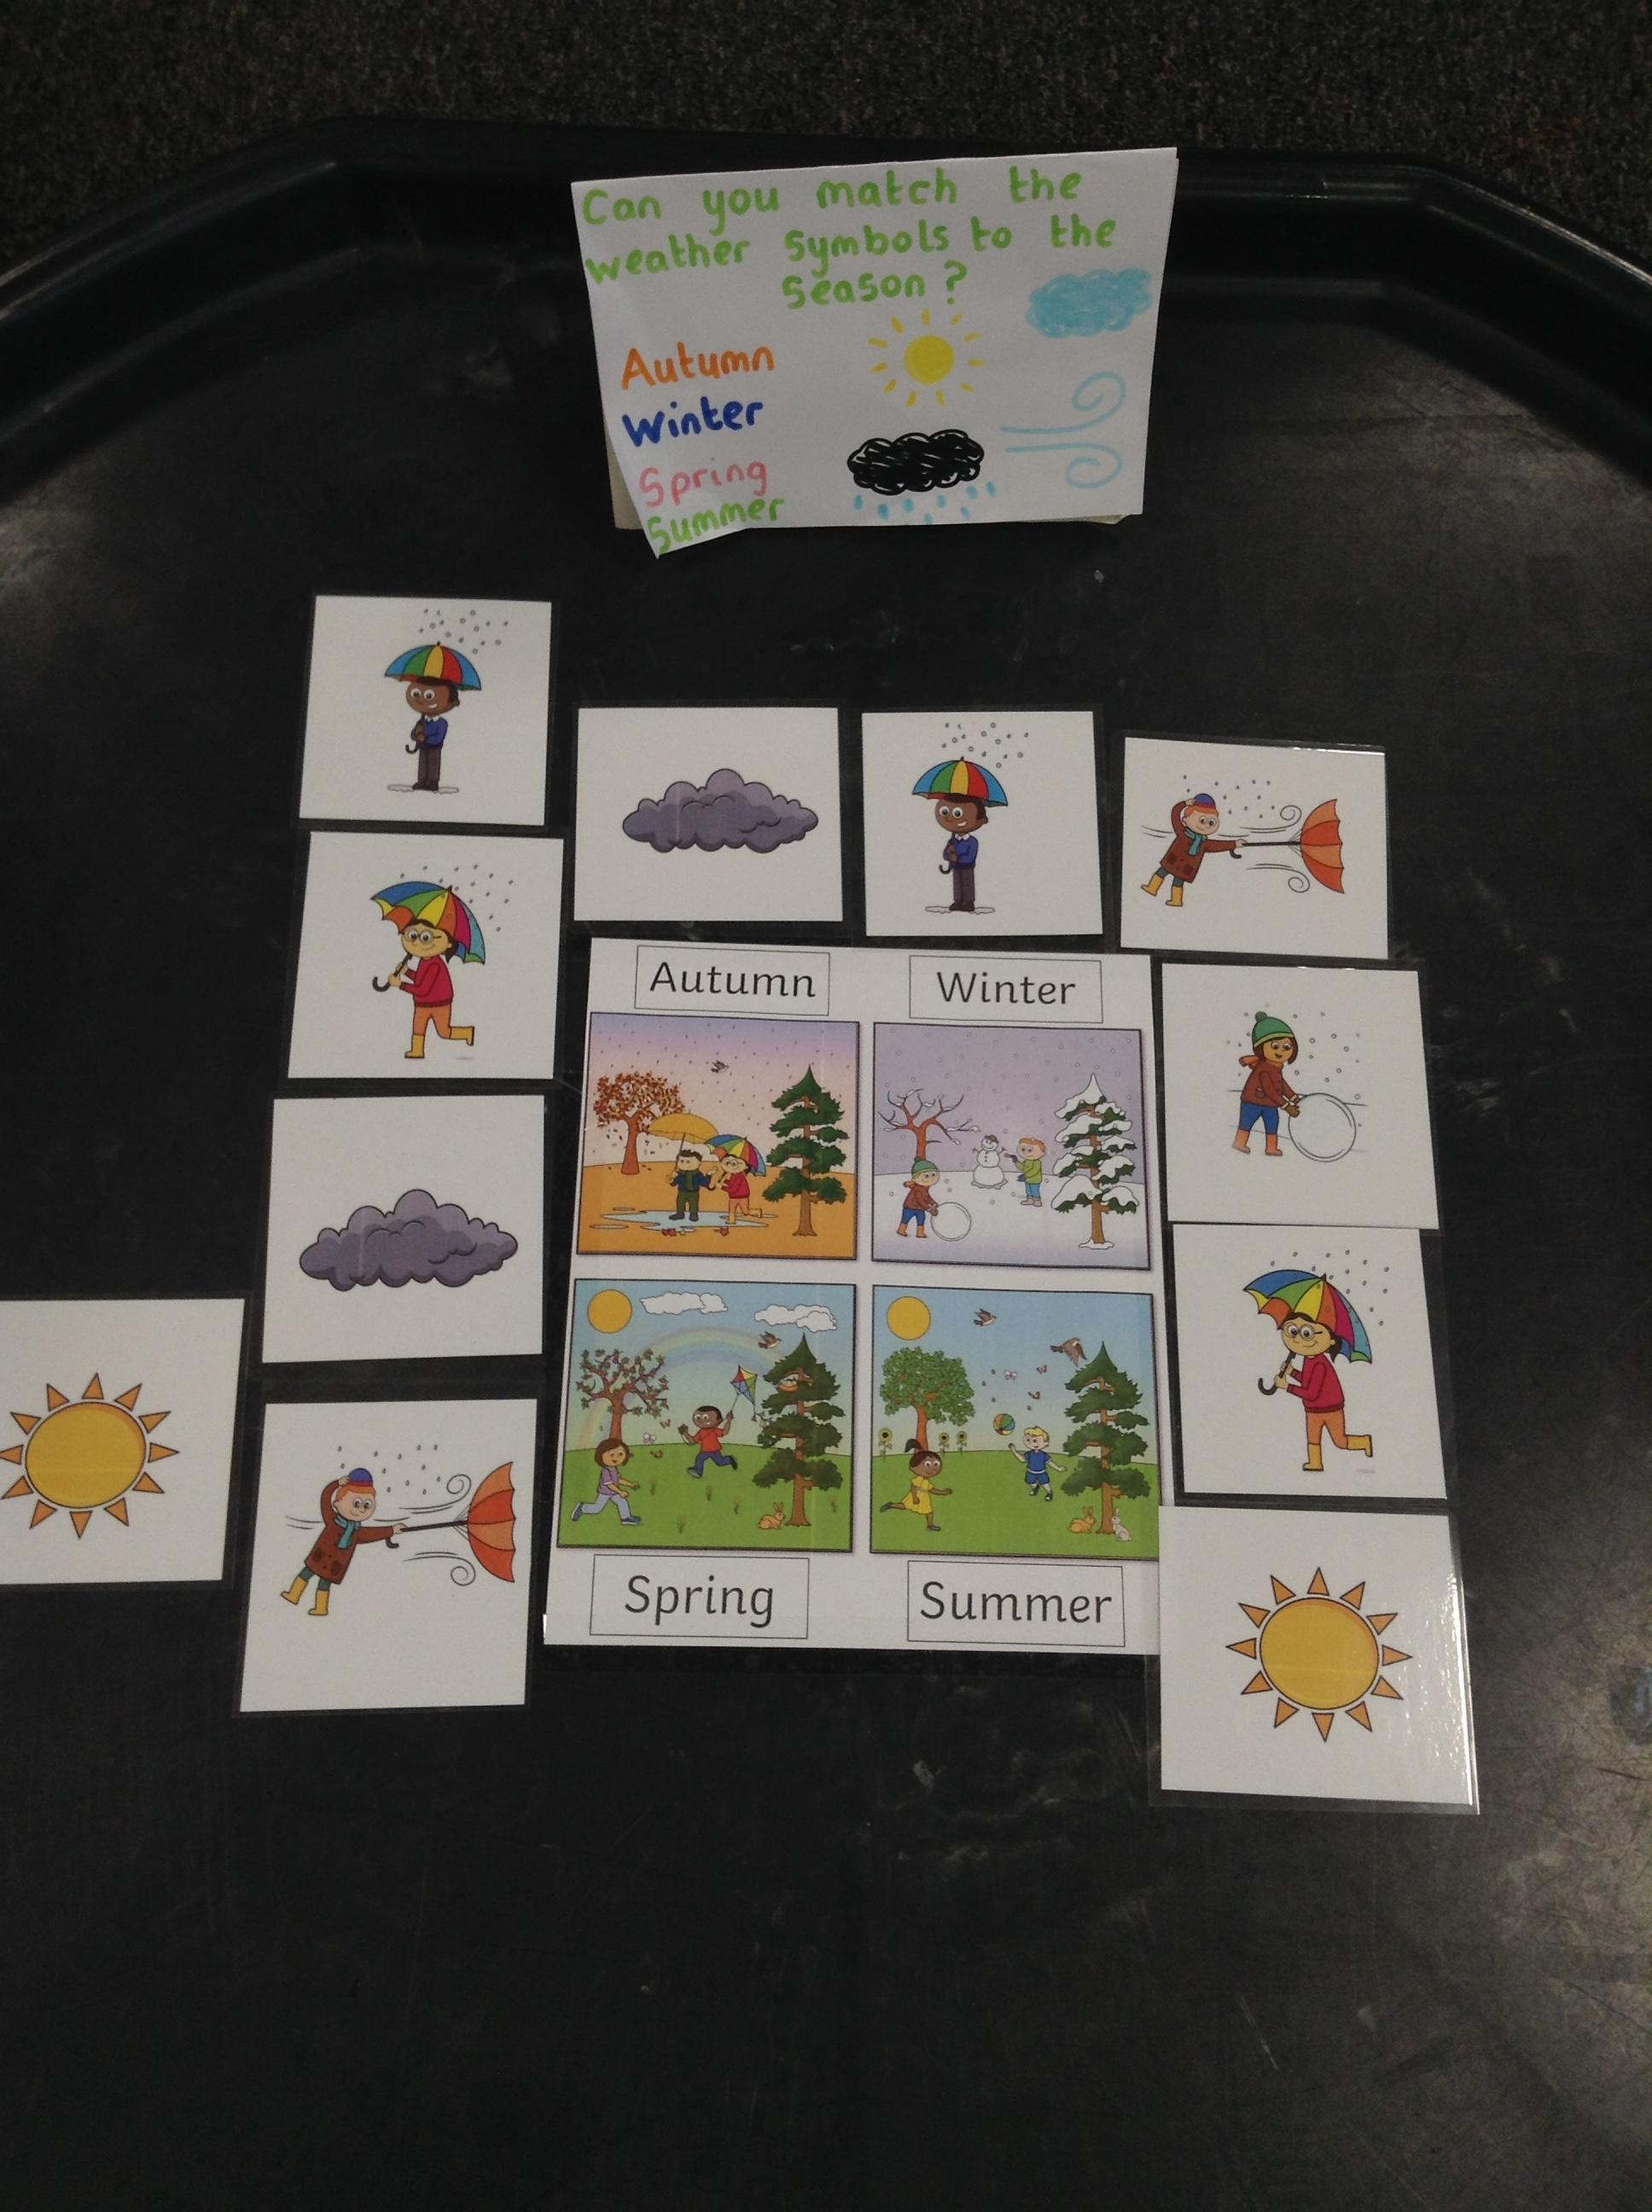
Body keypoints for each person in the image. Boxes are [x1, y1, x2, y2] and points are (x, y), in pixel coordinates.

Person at [280, 1469, 404, 1616]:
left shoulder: (357, 1532)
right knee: (306, 1573)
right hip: (319, 1557)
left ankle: (321, 1608)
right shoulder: (331, 1519)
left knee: (324, 1584)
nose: (360, 1510)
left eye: (367, 1505)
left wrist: (392, 1530)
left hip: (335, 1565)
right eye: (356, 1503)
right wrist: (336, 1484)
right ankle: (294, 1595)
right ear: (337, 1503)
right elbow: (325, 1498)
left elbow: (373, 1534)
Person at [1270, 1310, 1373, 1473]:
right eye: (1293, 1331)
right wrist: (1292, 1372)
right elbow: (1308, 1381)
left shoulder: (1320, 1364)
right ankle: (1315, 1463)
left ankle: (1364, 1442)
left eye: (1307, 1333)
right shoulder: (1309, 1358)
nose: (1297, 1339)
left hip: (1331, 1409)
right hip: (1312, 1409)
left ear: (1331, 1341)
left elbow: (1311, 1393)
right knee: (1313, 1438)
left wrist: (1287, 1386)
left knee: (1339, 1441)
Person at [386, 911, 474, 1059]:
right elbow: (420, 979)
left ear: (448, 943)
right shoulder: (425, 960)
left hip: (439, 1004)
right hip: (422, 1003)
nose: (417, 942)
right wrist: (407, 971)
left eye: (426, 938)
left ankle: (467, 1033)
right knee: (418, 1028)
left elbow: (422, 989)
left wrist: (400, 984)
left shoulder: (435, 965)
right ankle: (417, 1051)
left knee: (443, 1032)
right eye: (413, 935)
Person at [1141, 793, 1242, 906]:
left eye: (1212, 822)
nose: (1207, 826)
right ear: (1185, 819)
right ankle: (1152, 888)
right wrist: (1184, 804)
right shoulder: (1182, 832)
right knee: (1161, 872)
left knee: (1178, 882)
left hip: (1185, 868)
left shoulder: (1204, 843)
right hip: (1172, 861)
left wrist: (1235, 844)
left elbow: (1218, 845)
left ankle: (1176, 900)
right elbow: (1175, 814)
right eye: (1202, 820)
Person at [1235, 1011, 1301, 1156]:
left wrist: (1294, 1097)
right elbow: (1270, 1090)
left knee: (1272, 1125)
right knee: (1246, 1123)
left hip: (1270, 1104)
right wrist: (1286, 1106)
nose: (1281, 1051)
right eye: (1275, 1046)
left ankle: (1271, 1148)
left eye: (1286, 1047)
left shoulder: (1276, 1068)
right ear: (1261, 1048)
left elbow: (1282, 1085)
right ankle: (1239, 1143)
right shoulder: (1264, 1069)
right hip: (1253, 1102)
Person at [404, 675, 462, 793]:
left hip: (434, 748)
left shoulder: (441, 723)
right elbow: (413, 735)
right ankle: (422, 781)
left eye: (429, 696)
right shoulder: (421, 722)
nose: (421, 700)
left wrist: (425, 738)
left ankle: (433, 782)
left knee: (433, 763)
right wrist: (417, 734)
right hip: (423, 747)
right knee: (423, 763)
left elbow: (438, 738)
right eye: (416, 694)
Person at [878, 1441, 952, 1532]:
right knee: (904, 1506)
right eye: (928, 1465)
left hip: (924, 1498)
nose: (933, 1469)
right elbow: (913, 1488)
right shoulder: (918, 1479)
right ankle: (891, 1505)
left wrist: (943, 1492)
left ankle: (930, 1525)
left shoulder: (926, 1481)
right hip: (916, 1496)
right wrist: (915, 1498)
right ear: (913, 1468)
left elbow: (932, 1490)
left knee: (929, 1512)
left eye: (936, 1464)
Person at [934, 794, 989, 912]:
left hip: (967, 867)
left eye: (957, 814)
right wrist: (948, 854)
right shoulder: (952, 841)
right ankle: (958, 900)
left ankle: (969, 902)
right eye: (945, 812)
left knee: (967, 883)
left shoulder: (972, 841)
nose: (950, 819)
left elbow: (970, 856)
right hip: (956, 867)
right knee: (957, 883)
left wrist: (957, 858)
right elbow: (945, 855)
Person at [570, 1437, 643, 1525]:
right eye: (611, 1454)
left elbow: (618, 1480)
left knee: (622, 1502)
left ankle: (626, 1518)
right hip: (605, 1493)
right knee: (596, 1509)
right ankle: (582, 1507)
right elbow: (610, 1485)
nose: (615, 1458)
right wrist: (620, 1492)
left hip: (613, 1492)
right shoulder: (606, 1471)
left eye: (620, 1454)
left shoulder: (614, 1469)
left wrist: (630, 1484)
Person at [679, 1404, 737, 1478]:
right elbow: (693, 1441)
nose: (701, 1421)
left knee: (720, 1462)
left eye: (705, 1418)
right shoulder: (701, 1432)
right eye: (698, 1418)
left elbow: (724, 1432)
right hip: (705, 1451)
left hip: (714, 1450)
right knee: (699, 1459)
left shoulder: (714, 1430)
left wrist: (728, 1421)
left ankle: (730, 1460)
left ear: (718, 1420)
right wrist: (685, 1433)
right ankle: (698, 1472)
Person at [1009, 1425, 1062, 1499]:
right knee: (1030, 1482)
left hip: (1042, 1473)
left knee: (1045, 1484)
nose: (1032, 1443)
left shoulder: (1043, 1455)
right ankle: (1035, 1487)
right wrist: (1014, 1452)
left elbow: (1050, 1463)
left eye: (1035, 1441)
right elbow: (1022, 1459)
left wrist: (1058, 1468)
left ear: (1045, 1443)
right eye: (1028, 1440)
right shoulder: (1029, 1454)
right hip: (1030, 1472)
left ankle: (1049, 1493)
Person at [897, 1160, 941, 1237]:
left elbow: (927, 1197)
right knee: (906, 1219)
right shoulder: (918, 1189)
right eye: (926, 1176)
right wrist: (929, 1209)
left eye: (933, 1175)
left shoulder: (925, 1188)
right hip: (910, 1207)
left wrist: (933, 1203)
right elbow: (920, 1200)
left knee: (921, 1220)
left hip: (920, 1209)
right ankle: (901, 1230)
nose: (931, 1179)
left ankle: (920, 1233)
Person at [670, 1149, 713, 1222]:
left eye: (688, 1162)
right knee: (680, 1203)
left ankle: (693, 1214)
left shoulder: (698, 1174)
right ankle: (680, 1213)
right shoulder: (680, 1174)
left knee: (694, 1204)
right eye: (682, 1161)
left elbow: (704, 1183)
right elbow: (674, 1183)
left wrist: (709, 1175)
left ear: (699, 1163)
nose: (685, 1164)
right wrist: (672, 1179)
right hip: (682, 1192)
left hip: (693, 1193)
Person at [1015, 1137, 1045, 1207]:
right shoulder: (1027, 1161)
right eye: (1023, 1149)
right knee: (1028, 1190)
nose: (1025, 1152)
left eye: (1030, 1150)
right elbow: (1022, 1167)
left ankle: (1037, 1200)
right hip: (1027, 1180)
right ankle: (1030, 1200)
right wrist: (1016, 1161)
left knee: (1034, 1190)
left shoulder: (1037, 1162)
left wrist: (1026, 1175)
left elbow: (1034, 1171)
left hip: (1035, 1180)